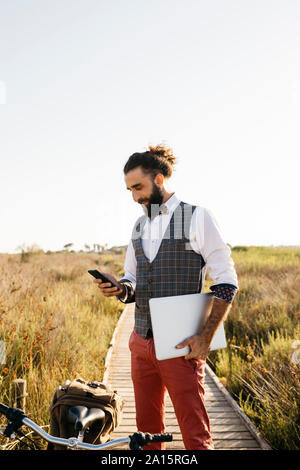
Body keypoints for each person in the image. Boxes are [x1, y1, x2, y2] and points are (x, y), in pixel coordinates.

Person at [94, 143, 239, 450]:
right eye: (129, 190)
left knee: (195, 433)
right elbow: (132, 279)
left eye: (139, 187)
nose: (135, 197)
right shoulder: (138, 226)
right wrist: (119, 288)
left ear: (159, 180)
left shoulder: (198, 217)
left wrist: (206, 337)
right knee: (146, 434)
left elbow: (227, 281)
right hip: (139, 342)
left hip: (180, 344)